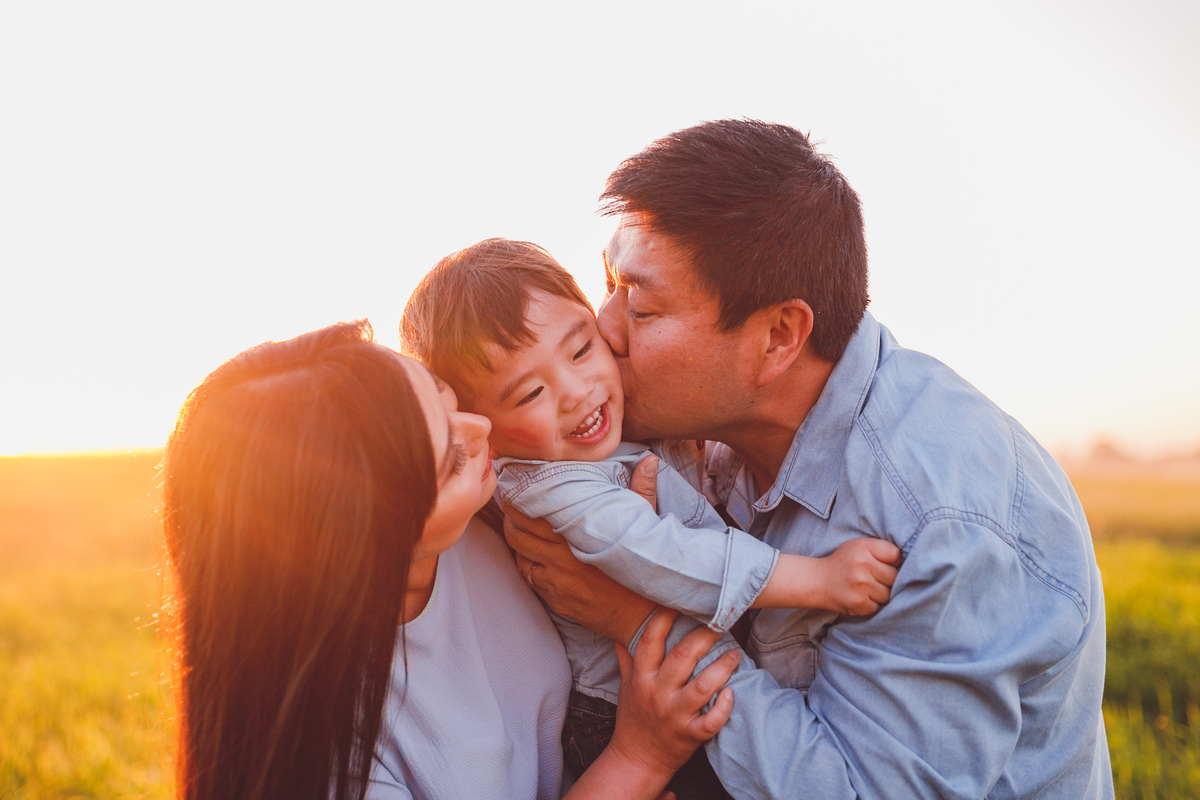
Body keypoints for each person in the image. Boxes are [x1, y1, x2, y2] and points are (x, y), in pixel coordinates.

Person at [505, 119, 1115, 799]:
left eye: (642, 308)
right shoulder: (707, 437)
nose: (603, 328)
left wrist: (638, 616)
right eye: (609, 285)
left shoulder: (935, 513)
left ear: (777, 338)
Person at [399, 239, 900, 798]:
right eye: (531, 393)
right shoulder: (551, 491)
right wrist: (820, 580)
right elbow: (672, 558)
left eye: (581, 350)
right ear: (482, 423)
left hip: (678, 665)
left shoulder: (604, 435)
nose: (576, 391)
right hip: (622, 709)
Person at [161, 319, 740, 800]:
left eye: (445, 396)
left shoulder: (489, 519)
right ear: (361, 542)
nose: (482, 428)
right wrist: (638, 758)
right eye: (448, 458)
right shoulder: (331, 761)